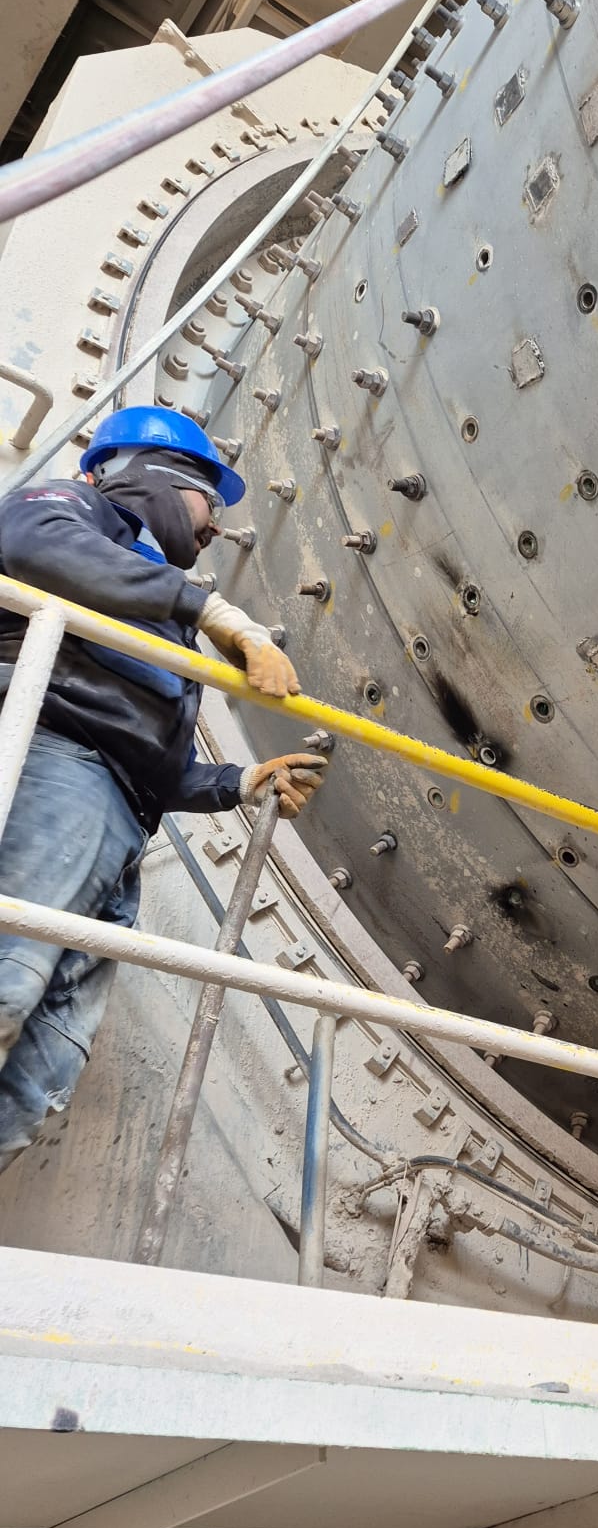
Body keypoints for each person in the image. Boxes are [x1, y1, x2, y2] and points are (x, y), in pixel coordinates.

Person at [0, 407, 326, 1169]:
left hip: (117, 821)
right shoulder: (74, 509)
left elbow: (152, 757)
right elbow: (28, 543)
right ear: (150, 474)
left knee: (45, 1064)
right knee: (5, 989)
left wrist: (241, 782)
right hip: (56, 767)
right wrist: (211, 611)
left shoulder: (151, 603)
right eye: (211, 497)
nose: (215, 525)